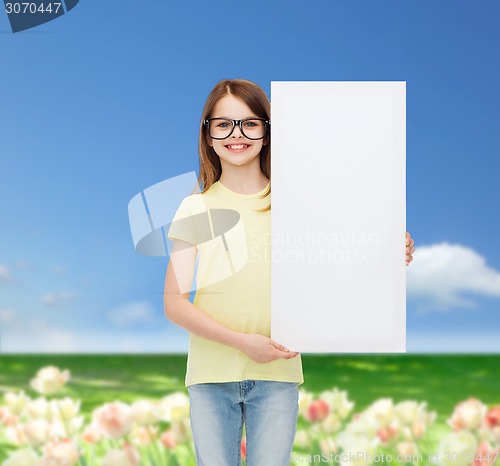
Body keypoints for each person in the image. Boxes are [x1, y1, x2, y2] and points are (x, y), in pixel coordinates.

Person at [163, 78, 415, 466]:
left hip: (278, 374)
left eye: (250, 123)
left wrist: (386, 253)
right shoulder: (195, 208)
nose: (237, 135)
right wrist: (243, 342)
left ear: (266, 131)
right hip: (211, 375)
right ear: (208, 135)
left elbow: (337, 263)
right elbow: (175, 304)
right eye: (223, 124)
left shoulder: (298, 203)